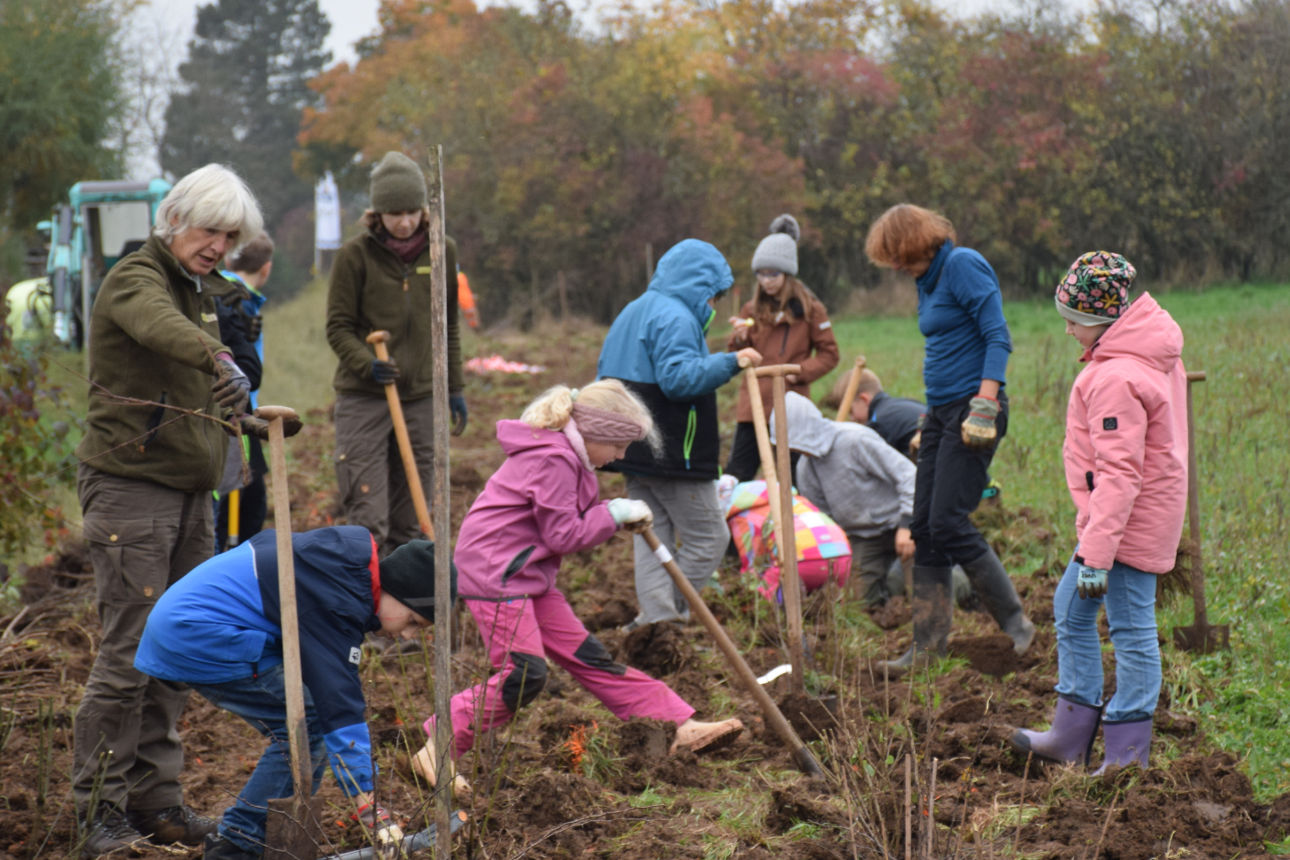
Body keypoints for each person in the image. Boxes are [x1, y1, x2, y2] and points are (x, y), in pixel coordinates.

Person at [409, 381, 745, 792]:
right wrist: (613, 512)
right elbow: (564, 535)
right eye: (619, 446)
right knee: (524, 675)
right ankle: (436, 748)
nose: (621, 456)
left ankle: (678, 724)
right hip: (496, 573)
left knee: (592, 658)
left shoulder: (570, 458)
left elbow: (568, 524)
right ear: (595, 433)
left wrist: (611, 513)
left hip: (527, 576)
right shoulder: (554, 460)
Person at [71, 164, 265, 854]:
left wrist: (249, 413)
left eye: (229, 235)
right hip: (132, 487)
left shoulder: (198, 289)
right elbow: (158, 328)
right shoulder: (138, 277)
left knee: (176, 648)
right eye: (210, 229)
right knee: (128, 653)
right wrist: (216, 353)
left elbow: (197, 384)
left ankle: (157, 800)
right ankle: (99, 810)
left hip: (188, 493)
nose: (219, 245)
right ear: (175, 218)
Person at [134, 528, 449, 859]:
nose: (408, 634)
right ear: (395, 589)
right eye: (413, 620)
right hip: (198, 633)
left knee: (311, 716)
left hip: (192, 622)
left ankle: (258, 834)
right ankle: (238, 843)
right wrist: (369, 808)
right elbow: (338, 704)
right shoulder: (336, 597)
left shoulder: (340, 568)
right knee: (308, 722)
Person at [1010, 252, 1186, 772]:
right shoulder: (1139, 357)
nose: (1067, 331)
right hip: (1120, 524)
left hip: (1125, 528)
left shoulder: (1116, 377)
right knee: (1071, 610)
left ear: (1100, 321)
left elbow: (1120, 475)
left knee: (1130, 629)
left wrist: (1097, 557)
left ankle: (1126, 752)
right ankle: (1070, 733)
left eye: (1073, 321)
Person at [864, 204, 1034, 676]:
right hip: (939, 413)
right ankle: (927, 647)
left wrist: (986, 401)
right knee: (924, 526)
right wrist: (928, 418)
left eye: (898, 255)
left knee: (949, 520)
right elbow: (944, 348)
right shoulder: (927, 280)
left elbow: (996, 336)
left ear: (918, 242)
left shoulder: (963, 265)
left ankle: (1018, 626)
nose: (895, 267)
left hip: (974, 410)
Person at [597, 239, 762, 627]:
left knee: (652, 536)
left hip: (632, 450)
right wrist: (733, 361)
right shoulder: (676, 316)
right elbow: (678, 380)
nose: (712, 308)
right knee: (709, 539)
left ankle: (656, 621)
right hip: (673, 453)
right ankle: (662, 617)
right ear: (699, 288)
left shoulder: (633, 310)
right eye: (713, 298)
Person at [326, 151, 467, 557]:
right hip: (364, 397)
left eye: (411, 212)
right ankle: (365, 606)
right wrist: (366, 364)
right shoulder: (355, 257)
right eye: (394, 213)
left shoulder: (444, 251)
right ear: (376, 214)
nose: (404, 222)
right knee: (368, 514)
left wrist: (453, 387)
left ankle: (409, 610)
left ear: (423, 210)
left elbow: (448, 326)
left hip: (421, 396)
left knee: (416, 516)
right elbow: (338, 327)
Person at [770, 392, 915, 608]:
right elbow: (824, 521)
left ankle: (957, 584)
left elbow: (909, 476)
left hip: (902, 523)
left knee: (924, 590)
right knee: (859, 604)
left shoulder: (854, 440)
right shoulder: (805, 469)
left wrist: (907, 525)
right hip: (862, 537)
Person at [725, 214, 839, 481]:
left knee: (792, 479)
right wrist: (740, 338)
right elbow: (737, 355)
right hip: (753, 407)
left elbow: (829, 354)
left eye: (773, 274)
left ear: (787, 273)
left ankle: (794, 524)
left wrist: (798, 371)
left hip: (791, 408)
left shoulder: (811, 309)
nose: (767, 281)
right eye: (761, 274)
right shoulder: (751, 309)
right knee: (736, 476)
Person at [213, 232, 274, 551]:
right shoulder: (231, 297)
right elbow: (250, 373)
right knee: (242, 512)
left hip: (240, 413)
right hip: (232, 417)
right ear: (267, 268)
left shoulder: (231, 294)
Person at [825, 367, 925, 460]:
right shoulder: (901, 403)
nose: (852, 418)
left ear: (864, 399)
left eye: (851, 411)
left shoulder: (878, 423)